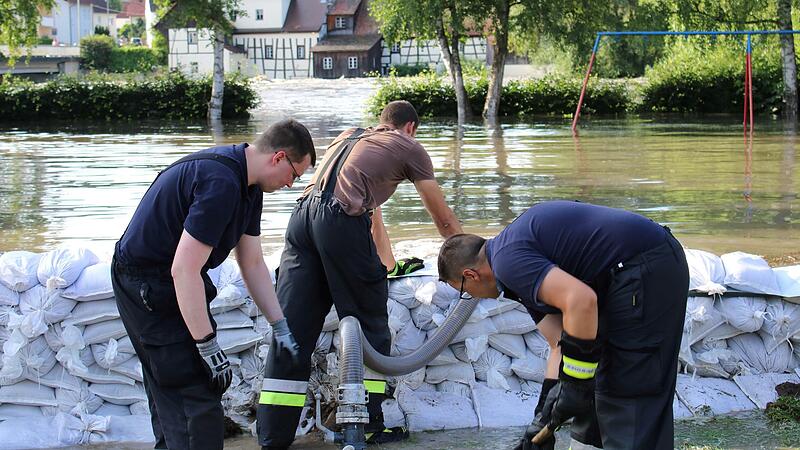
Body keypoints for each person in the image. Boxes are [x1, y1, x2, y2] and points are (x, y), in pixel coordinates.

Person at [257, 100, 462, 449]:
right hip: (339, 224)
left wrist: (386, 261)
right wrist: (467, 258)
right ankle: (365, 425)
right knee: (369, 326)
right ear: (410, 127)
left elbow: (371, 213)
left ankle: (272, 436)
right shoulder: (409, 147)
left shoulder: (350, 136)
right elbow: (442, 219)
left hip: (301, 220)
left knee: (292, 330)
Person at [110, 119, 316, 450]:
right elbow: (184, 271)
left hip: (170, 278)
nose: (291, 185)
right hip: (146, 282)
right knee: (193, 387)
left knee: (174, 389)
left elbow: (251, 262)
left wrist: (280, 325)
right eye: (295, 175)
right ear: (278, 157)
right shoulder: (220, 183)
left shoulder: (249, 185)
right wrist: (206, 344)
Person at [437, 201, 689, 450]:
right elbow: (559, 343)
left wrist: (575, 383)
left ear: (471, 275)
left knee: (627, 389)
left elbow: (581, 300)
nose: (471, 296)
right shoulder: (515, 268)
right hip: (622, 274)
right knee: (595, 385)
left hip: (647, 266)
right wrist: (542, 418)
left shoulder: (509, 262)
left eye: (463, 290)